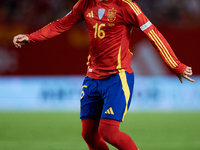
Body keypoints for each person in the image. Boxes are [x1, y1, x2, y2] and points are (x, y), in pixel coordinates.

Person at [13, 0, 195, 149]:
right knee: (89, 135)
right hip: (92, 78)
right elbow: (61, 24)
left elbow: (153, 34)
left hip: (117, 77)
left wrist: (175, 65)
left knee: (109, 132)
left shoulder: (126, 6)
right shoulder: (86, 3)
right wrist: (31, 37)